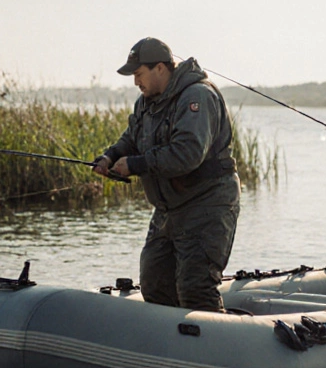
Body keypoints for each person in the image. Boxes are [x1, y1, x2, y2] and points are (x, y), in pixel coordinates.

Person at [93, 37, 240, 312]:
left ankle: (214, 347)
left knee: (195, 288)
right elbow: (131, 138)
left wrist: (135, 165)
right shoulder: (146, 102)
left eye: (139, 74)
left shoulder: (197, 96)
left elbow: (188, 153)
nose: (136, 81)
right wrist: (109, 157)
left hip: (207, 204)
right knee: (154, 284)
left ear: (160, 68)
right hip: (168, 209)